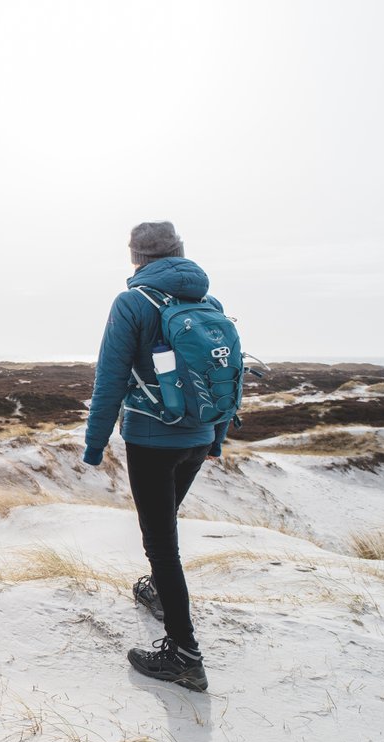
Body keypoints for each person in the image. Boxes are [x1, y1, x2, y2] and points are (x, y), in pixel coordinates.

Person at [82, 221, 227, 692]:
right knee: (165, 530)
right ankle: (161, 595)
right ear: (180, 251)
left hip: (152, 440)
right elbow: (227, 376)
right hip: (198, 436)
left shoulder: (132, 303)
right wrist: (217, 436)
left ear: (135, 258)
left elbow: (110, 379)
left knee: (162, 545)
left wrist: (94, 444)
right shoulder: (209, 303)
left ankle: (183, 655)